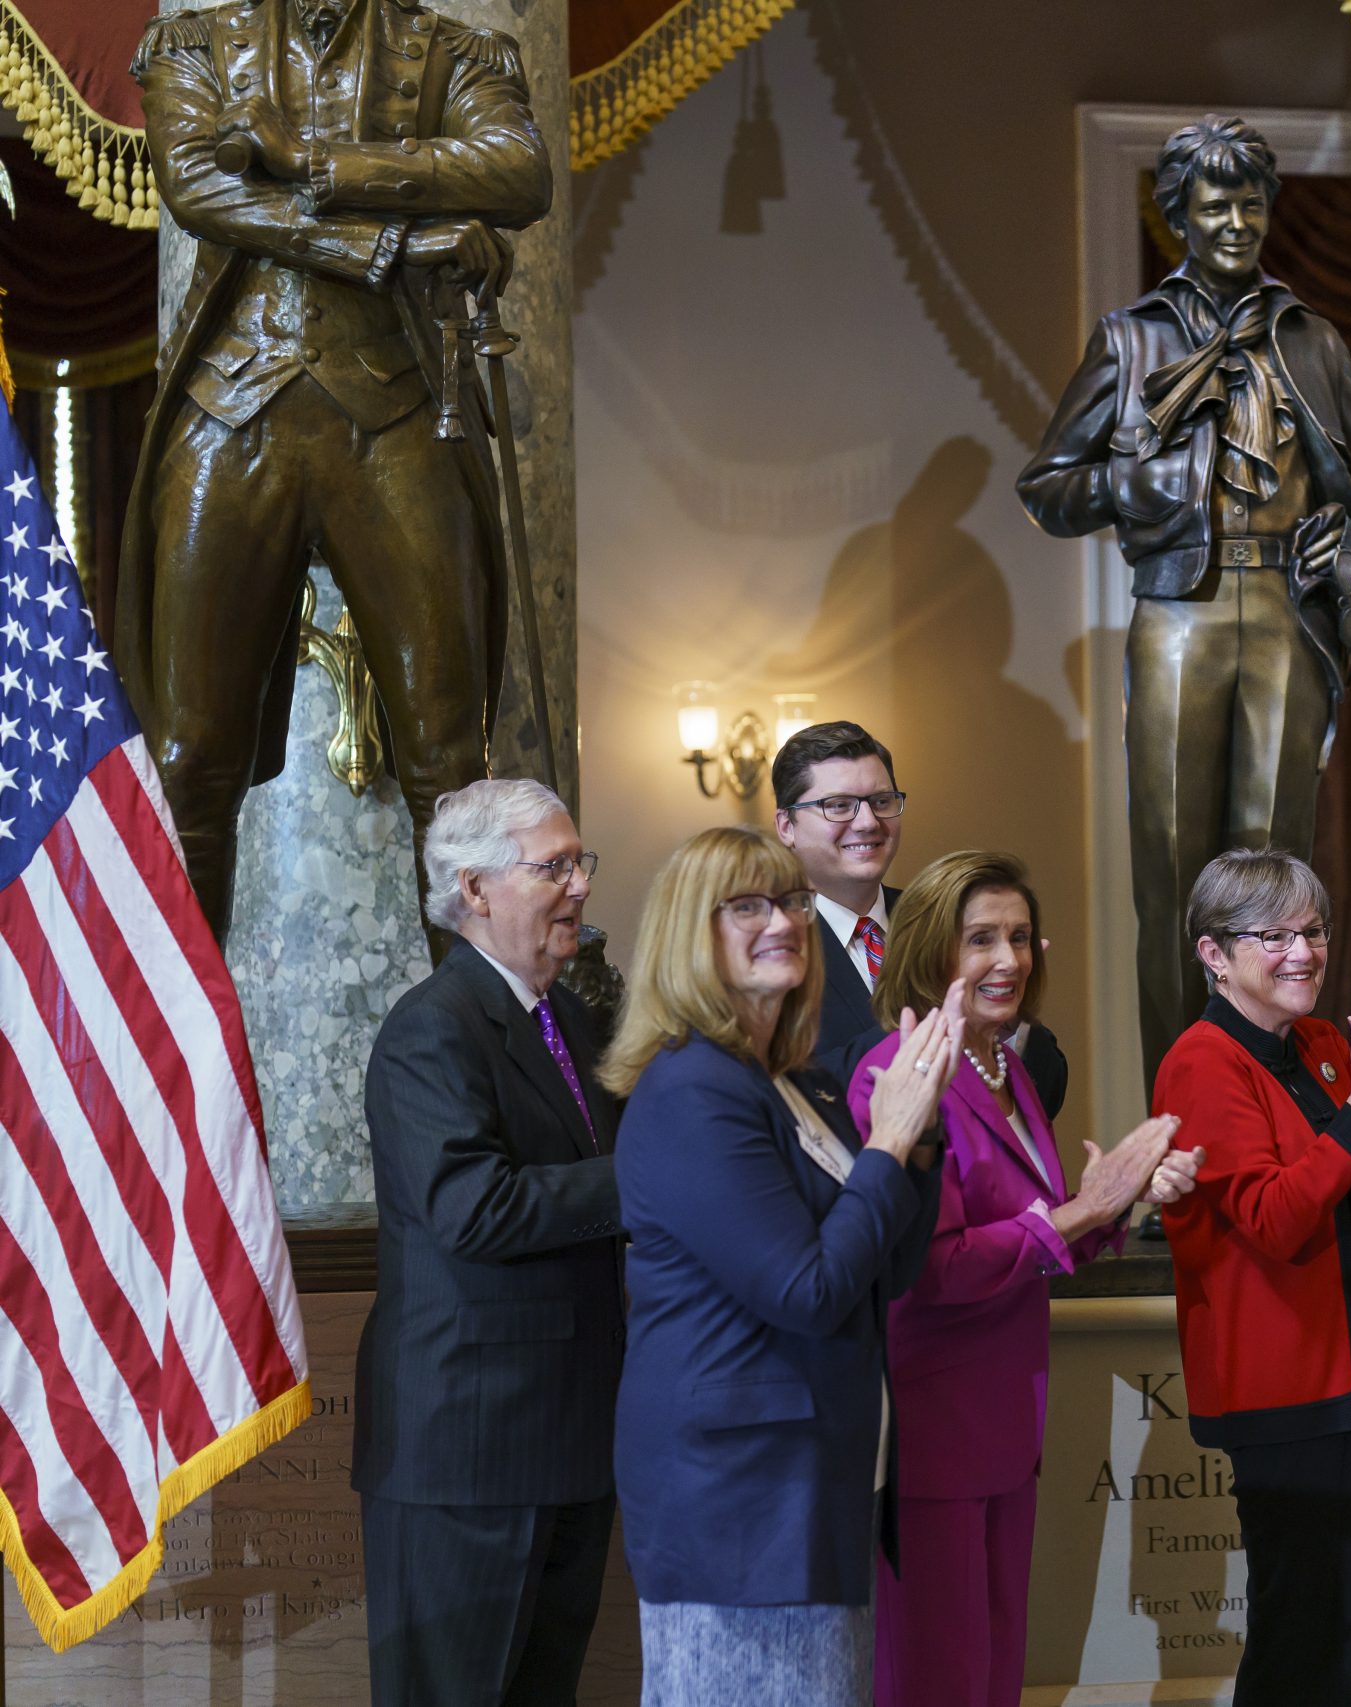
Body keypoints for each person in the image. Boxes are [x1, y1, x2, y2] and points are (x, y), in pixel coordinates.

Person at [125, 0, 549, 937]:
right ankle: (191, 1068)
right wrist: (393, 241)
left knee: (452, 768)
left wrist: (320, 165)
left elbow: (518, 171)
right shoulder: (196, 46)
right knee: (191, 755)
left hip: (398, 408)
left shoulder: (458, 51)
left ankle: (474, 1058)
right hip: (233, 406)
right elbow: (199, 188)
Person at [1018, 115, 1351, 1083]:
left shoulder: (1310, 339)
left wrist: (1347, 541)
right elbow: (1048, 488)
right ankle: (1181, 1118)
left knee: (1275, 882)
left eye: (1251, 202)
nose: (1237, 220)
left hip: (1284, 607)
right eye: (1214, 203)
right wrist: (1126, 487)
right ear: (1178, 215)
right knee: (1175, 880)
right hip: (1178, 611)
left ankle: (1276, 1108)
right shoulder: (1132, 339)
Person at [602, 826, 950, 1704]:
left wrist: (917, 1138)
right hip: (740, 1501)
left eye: (793, 901)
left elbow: (888, 1267)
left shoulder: (796, 1083)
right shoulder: (691, 1089)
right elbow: (807, 1288)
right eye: (748, 905)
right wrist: (891, 1138)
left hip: (814, 1482)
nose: (784, 920)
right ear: (692, 931)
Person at [851, 851, 1197, 1707]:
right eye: (980, 939)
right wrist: (1078, 1213)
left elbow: (1044, 1236)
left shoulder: (1006, 1067)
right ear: (932, 952)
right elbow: (929, 1270)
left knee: (999, 1668)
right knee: (942, 1676)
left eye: (1017, 936)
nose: (1008, 959)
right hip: (935, 1427)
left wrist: (1117, 1197)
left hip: (1007, 1419)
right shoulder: (894, 1073)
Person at [1154, 848, 1351, 1707]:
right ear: (1214, 953)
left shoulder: (1322, 1042)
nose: (1303, 952)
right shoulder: (1202, 1061)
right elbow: (1277, 1221)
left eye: (1313, 930)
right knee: (1303, 1635)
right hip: (1280, 1386)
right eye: (1274, 936)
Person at [354, 780, 623, 1707]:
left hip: (570, 1442)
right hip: (466, 1454)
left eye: (578, 863)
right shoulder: (431, 1028)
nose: (579, 886)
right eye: (554, 866)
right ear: (474, 888)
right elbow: (476, 1207)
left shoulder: (575, 1023)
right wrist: (658, 1176)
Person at [771, 720, 1068, 1119]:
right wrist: (939, 1019)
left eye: (881, 801)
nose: (867, 822)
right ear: (787, 827)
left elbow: (1044, 1092)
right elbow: (787, 1097)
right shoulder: (770, 945)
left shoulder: (944, 919)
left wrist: (1006, 1023)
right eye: (839, 805)